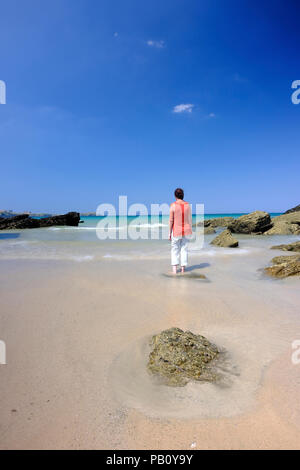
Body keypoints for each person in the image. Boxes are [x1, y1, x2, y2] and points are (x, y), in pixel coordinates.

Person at [169, 188, 192, 274]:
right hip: (186, 231)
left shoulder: (173, 205)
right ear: (183, 195)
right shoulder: (187, 205)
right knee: (184, 250)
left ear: (175, 196)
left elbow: (171, 220)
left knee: (175, 250)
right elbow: (189, 219)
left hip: (176, 231)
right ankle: (183, 270)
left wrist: (169, 233)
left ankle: (174, 271)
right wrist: (190, 230)